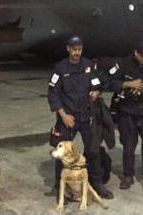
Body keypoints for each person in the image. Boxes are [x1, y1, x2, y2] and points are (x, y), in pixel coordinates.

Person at [47, 36, 113, 199]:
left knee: (93, 150)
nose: (77, 52)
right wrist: (63, 116)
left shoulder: (88, 66)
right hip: (67, 116)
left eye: (79, 49)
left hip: (87, 116)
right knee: (62, 151)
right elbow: (53, 93)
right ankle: (59, 184)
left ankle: (96, 183)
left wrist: (96, 92)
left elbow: (97, 83)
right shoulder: (60, 68)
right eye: (74, 49)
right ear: (68, 49)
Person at [107, 41, 143, 196]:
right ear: (135, 52)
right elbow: (110, 82)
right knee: (128, 146)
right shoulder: (123, 65)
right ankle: (128, 176)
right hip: (127, 112)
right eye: (142, 55)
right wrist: (127, 84)